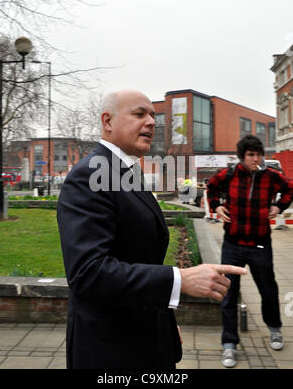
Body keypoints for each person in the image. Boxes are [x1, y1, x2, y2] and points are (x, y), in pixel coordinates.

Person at [57, 89, 247, 369]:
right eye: (139, 114)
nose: (150, 122)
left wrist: (164, 324)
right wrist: (181, 279)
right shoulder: (89, 176)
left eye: (152, 115)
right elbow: (89, 273)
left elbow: (137, 259)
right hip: (112, 352)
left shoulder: (124, 172)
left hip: (145, 339)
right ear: (107, 121)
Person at [207, 134, 293, 368]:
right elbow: (211, 188)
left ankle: (274, 329)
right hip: (233, 244)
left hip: (260, 244)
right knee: (228, 294)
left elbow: (290, 189)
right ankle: (229, 344)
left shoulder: (272, 176)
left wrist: (279, 205)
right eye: (251, 155)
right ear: (242, 157)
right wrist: (217, 206)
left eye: (259, 154)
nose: (256, 159)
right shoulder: (230, 175)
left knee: (268, 289)